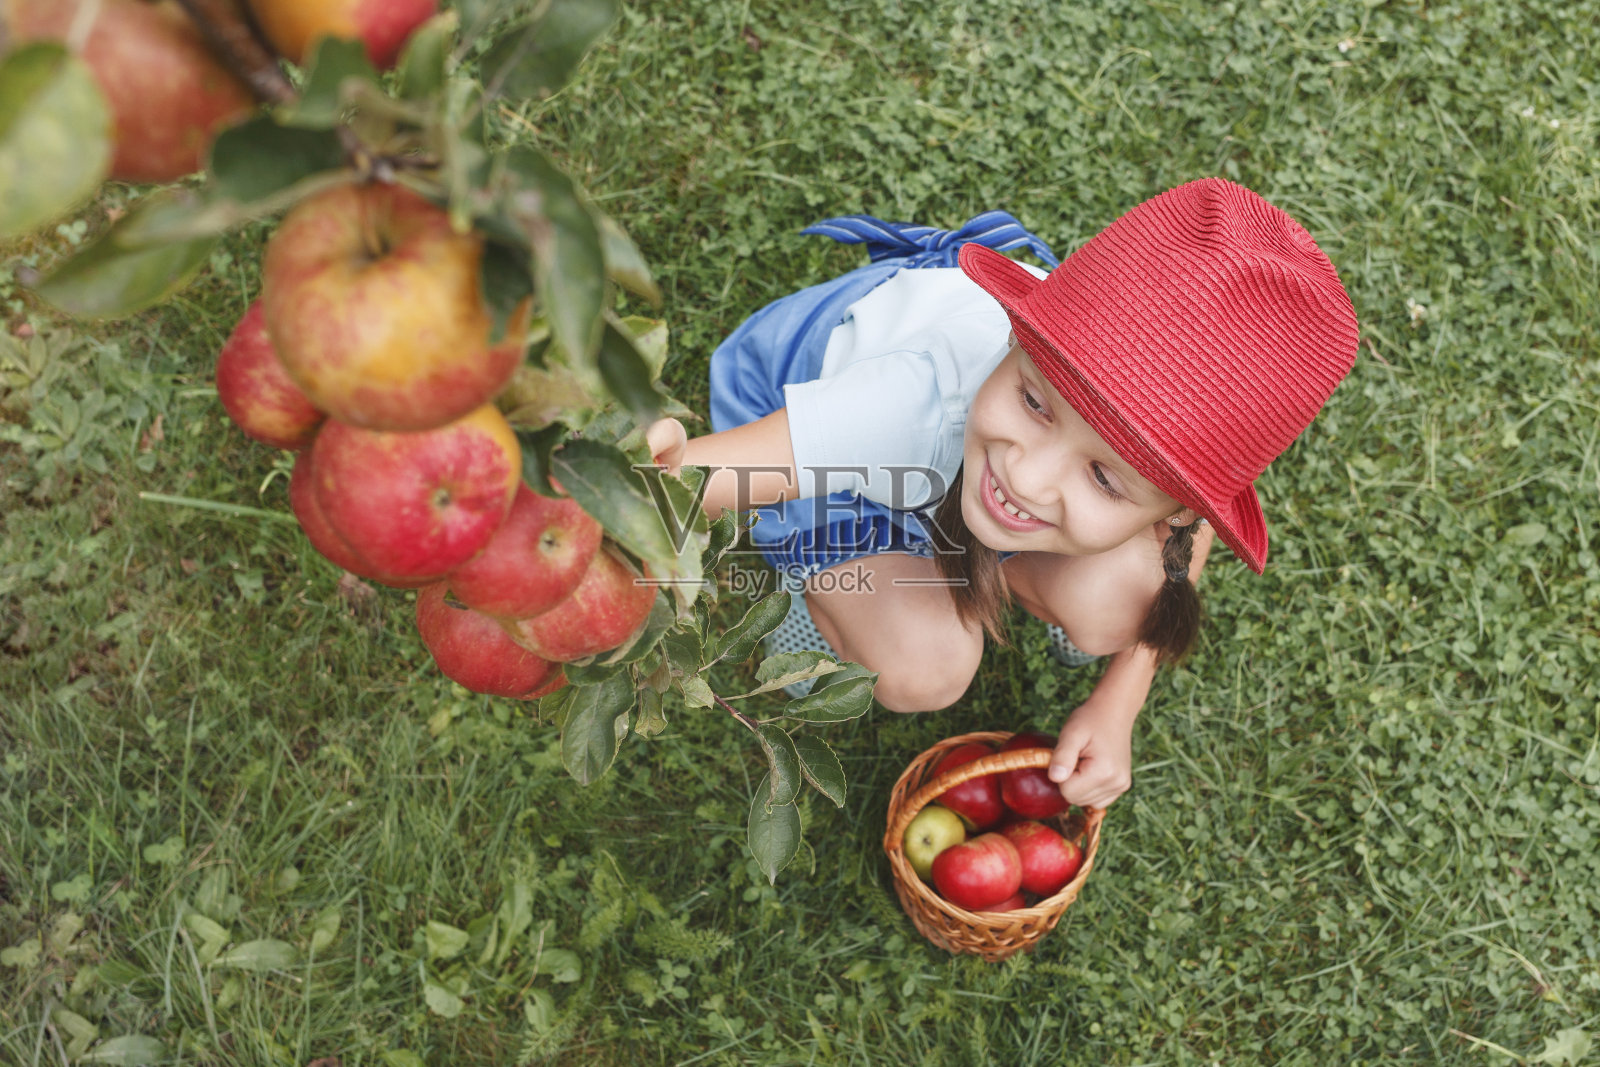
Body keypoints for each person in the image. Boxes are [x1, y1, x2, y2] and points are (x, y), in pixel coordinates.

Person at [645, 178, 1359, 811]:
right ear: (1016, 339)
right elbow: (705, 479)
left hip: (953, 462)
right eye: (1036, 402)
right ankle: (823, 593)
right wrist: (642, 484)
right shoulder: (906, 401)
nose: (1028, 475)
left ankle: (986, 547)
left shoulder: (1105, 471)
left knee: (1121, 600)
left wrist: (1120, 700)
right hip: (845, 460)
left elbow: (1189, 533)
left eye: (1105, 477)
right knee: (926, 662)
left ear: (1173, 510)